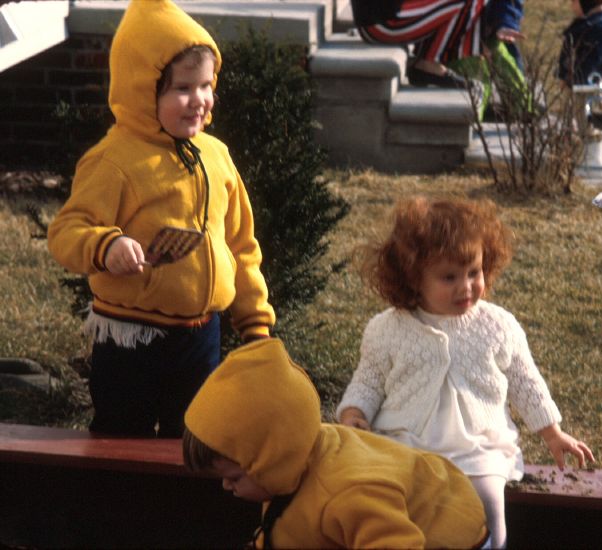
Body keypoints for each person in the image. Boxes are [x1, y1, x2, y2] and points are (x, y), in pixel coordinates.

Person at [47, 0, 274, 438]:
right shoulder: (115, 161)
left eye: (207, 85)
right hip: (131, 335)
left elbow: (241, 245)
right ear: (143, 89)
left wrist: (255, 321)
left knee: (194, 436)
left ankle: (177, 506)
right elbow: (66, 232)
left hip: (200, 333)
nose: (200, 101)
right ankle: (118, 505)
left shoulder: (216, 156)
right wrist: (106, 245)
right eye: (183, 89)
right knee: (121, 436)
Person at [336, 196, 594, 548]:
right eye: (449, 277)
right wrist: (354, 413)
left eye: (474, 272)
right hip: (405, 444)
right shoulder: (387, 329)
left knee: (489, 501)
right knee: (397, 505)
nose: (467, 286)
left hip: (477, 447)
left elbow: (525, 381)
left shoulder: (497, 325)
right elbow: (368, 381)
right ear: (413, 278)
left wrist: (552, 433)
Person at [183, 338, 489, 549]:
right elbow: (282, 523)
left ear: (270, 459)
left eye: (234, 477)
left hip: (447, 534)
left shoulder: (348, 494)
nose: (226, 486)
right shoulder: (291, 463)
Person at [350, 0, 525, 90]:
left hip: (378, 22)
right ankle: (429, 64)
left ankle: (432, 61)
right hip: (382, 23)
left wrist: (505, 23)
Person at [558, 0, 602, 88]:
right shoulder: (586, 24)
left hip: (591, 90)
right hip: (577, 86)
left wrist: (571, 80)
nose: (572, 7)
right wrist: (563, 75)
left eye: (574, 2)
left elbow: (590, 64)